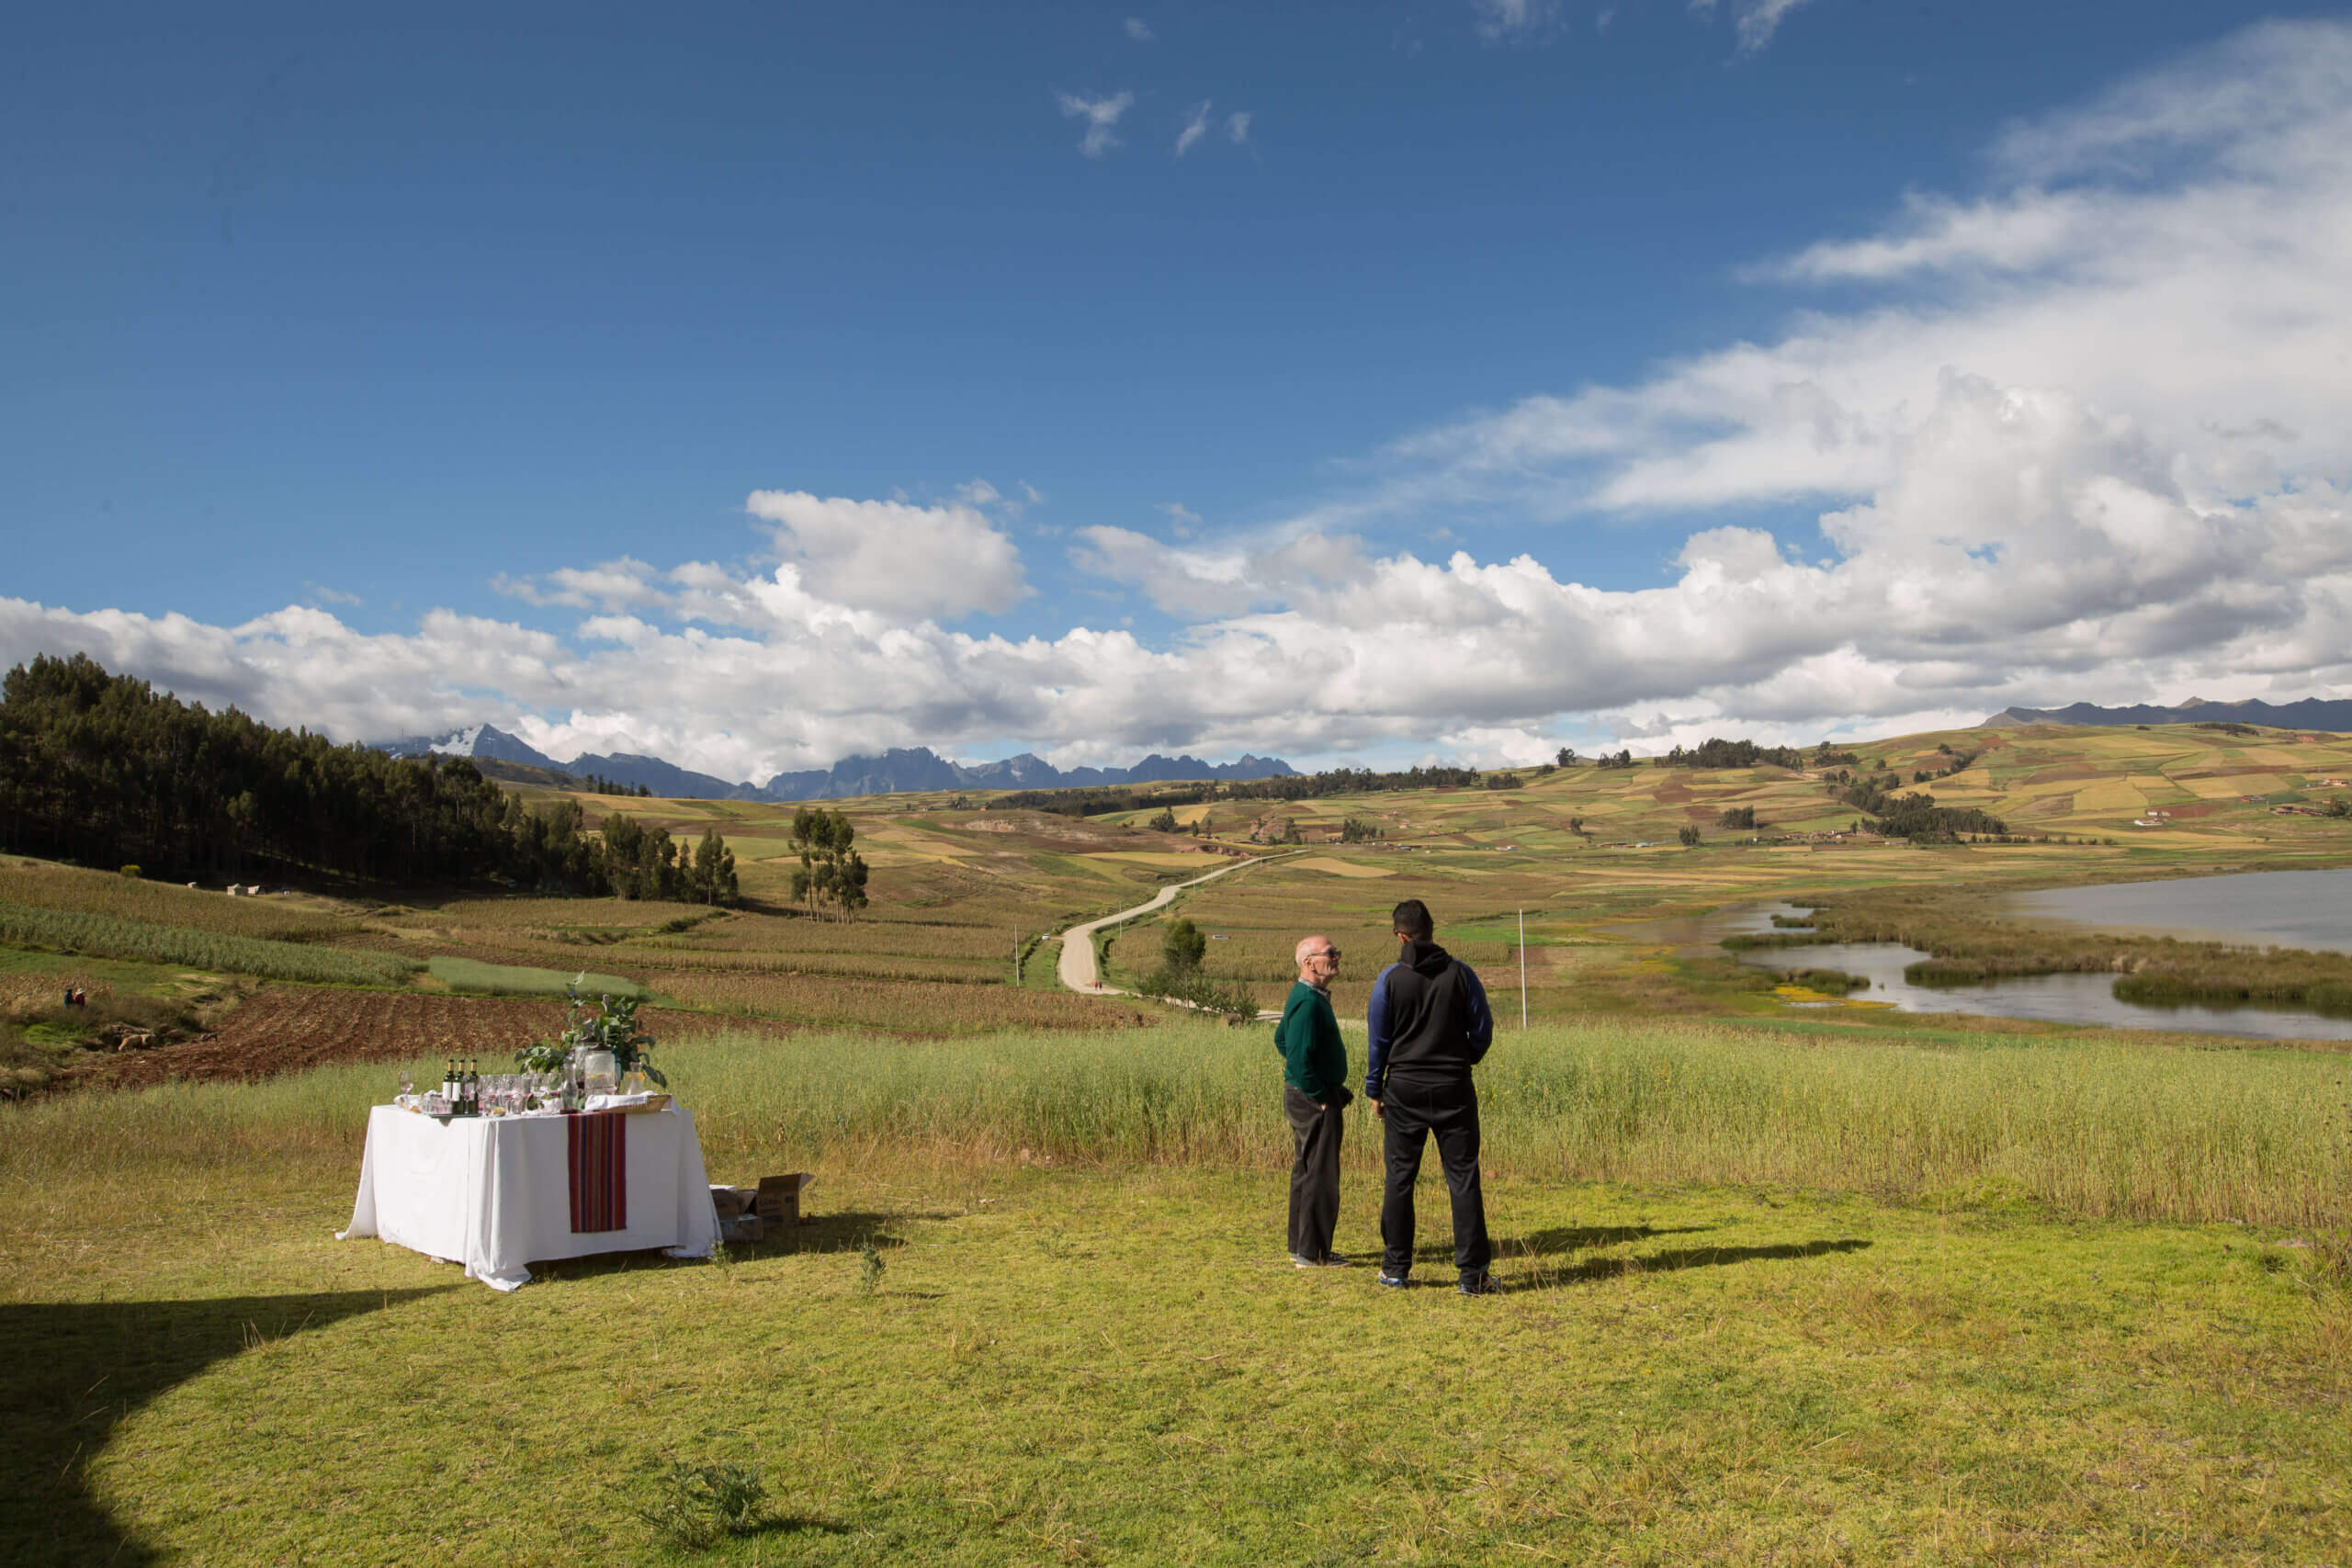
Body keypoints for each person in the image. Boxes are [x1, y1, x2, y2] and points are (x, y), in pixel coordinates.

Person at [1364, 898, 1498, 1294]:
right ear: (1433, 930)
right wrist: (1463, 1060)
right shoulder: (1462, 974)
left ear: (1399, 936)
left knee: (1400, 1178)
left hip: (1403, 1088)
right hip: (1454, 1086)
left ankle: (1395, 1269)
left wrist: (1375, 1088)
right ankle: (1472, 1276)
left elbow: (1378, 1042)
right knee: (1463, 1178)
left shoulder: (1389, 979)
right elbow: (1483, 1031)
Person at [1274, 933, 1351, 1267]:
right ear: (1309, 962)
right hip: (1312, 1099)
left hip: (1306, 1094)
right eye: (1330, 954)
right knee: (1320, 1175)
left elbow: (1281, 1039)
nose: (1336, 958)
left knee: (1306, 1170)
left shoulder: (1306, 995)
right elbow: (1296, 1058)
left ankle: (1300, 1247)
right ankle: (1314, 1252)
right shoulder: (1308, 1001)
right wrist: (1320, 1095)